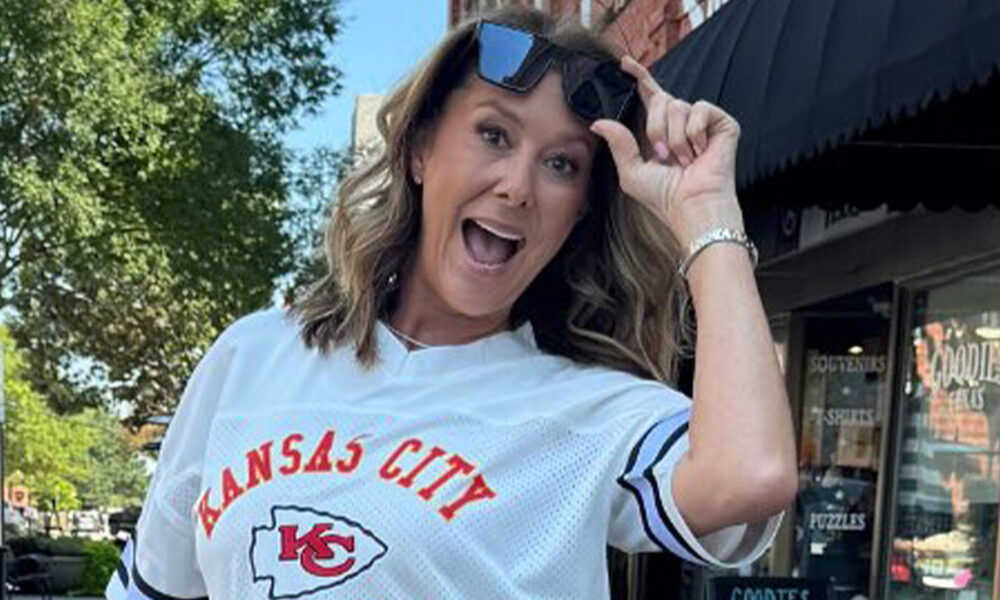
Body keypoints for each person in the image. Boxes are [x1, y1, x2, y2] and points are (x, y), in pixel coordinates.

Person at [105, 6, 796, 599]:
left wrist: (707, 210)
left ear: (581, 209)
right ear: (419, 150)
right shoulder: (254, 357)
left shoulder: (590, 413)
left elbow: (750, 477)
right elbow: (151, 587)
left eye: (561, 164)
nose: (517, 186)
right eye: (494, 135)